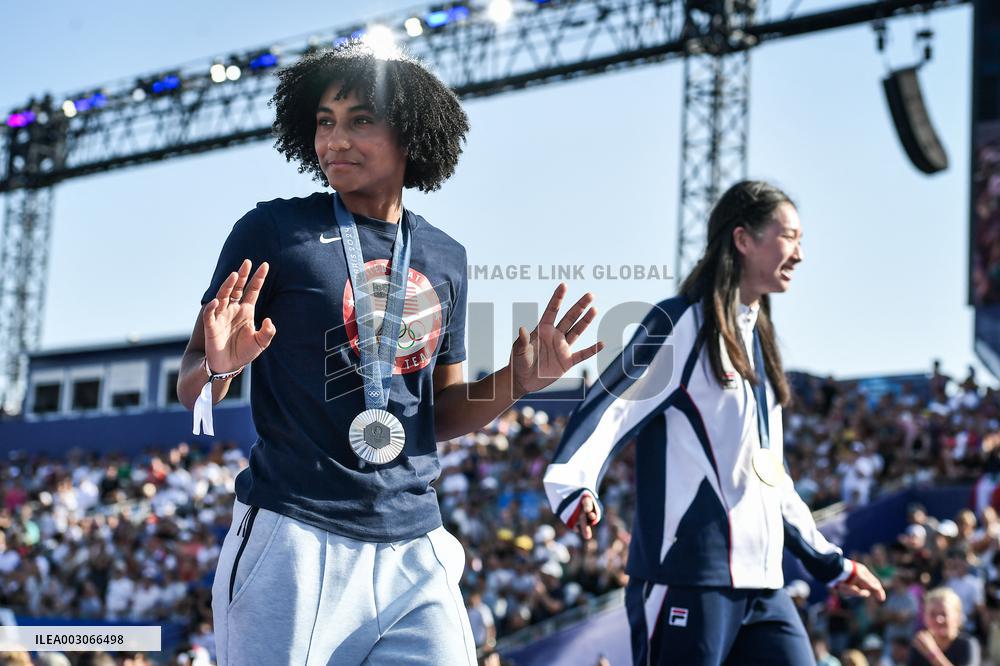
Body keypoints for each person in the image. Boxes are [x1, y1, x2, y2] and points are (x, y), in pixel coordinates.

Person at [177, 41, 602, 665]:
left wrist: (516, 380)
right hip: (293, 535)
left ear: (410, 133)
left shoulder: (446, 256)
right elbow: (192, 383)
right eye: (325, 122)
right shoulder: (272, 231)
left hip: (415, 543)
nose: (335, 140)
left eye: (359, 121)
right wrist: (221, 366)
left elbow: (442, 413)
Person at [543, 180, 885, 665]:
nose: (800, 254)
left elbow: (770, 478)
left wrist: (830, 563)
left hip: (763, 586)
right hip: (686, 577)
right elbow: (613, 403)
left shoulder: (760, 343)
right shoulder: (681, 321)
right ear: (743, 239)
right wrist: (573, 483)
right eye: (789, 237)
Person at [909, 587, 981, 666]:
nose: (938, 620)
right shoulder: (920, 646)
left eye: (944, 614)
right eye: (932, 614)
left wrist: (933, 654)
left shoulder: (967, 644)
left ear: (958, 617)